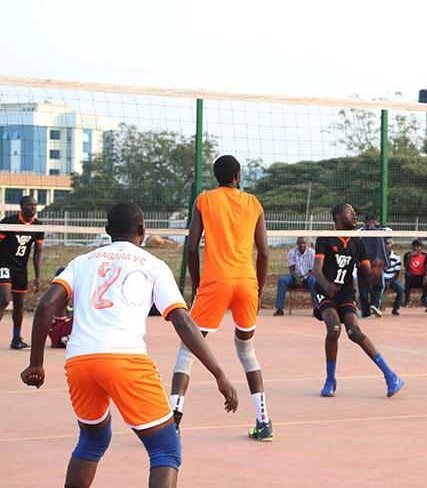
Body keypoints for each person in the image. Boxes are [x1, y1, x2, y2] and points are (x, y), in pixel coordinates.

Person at [20, 202, 238, 488]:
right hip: (125, 360)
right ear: (142, 231)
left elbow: (47, 304)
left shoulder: (81, 261)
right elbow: (183, 322)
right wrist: (219, 373)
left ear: (108, 231)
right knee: (165, 449)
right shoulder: (152, 264)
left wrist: (36, 362)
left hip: (80, 362)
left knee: (92, 439)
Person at [169, 155, 272, 441]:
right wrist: (258, 288)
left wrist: (198, 284)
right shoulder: (254, 203)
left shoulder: (204, 200)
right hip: (246, 283)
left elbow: (191, 248)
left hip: (215, 281)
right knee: (247, 351)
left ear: (216, 176)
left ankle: (173, 420)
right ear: (238, 175)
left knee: (188, 349)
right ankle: (264, 422)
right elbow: (263, 252)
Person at [312, 203, 404, 398]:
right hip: (324, 290)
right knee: (334, 327)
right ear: (337, 216)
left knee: (354, 331)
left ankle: (391, 376)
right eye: (349, 211)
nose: (354, 214)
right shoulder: (325, 238)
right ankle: (330, 379)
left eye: (355, 211)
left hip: (345, 292)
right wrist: (327, 286)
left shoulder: (358, 242)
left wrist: (378, 274)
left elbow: (369, 276)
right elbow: (316, 269)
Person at [1, 195, 44, 350]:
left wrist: (37, 276)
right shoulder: (8, 222)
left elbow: (38, 253)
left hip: (21, 269)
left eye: (35, 205)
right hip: (4, 264)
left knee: (19, 305)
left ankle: (16, 338)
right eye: (30, 205)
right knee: (5, 299)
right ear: (21, 206)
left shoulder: (38, 226)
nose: (33, 207)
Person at [274, 237, 316, 316]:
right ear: (297, 244)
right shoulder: (292, 253)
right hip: (294, 277)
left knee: (314, 281)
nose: (302, 245)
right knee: (282, 280)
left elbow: (312, 271)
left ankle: (316, 309)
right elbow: (291, 269)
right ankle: (280, 308)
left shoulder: (312, 253)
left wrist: (304, 278)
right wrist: (297, 278)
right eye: (300, 243)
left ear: (306, 244)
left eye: (304, 243)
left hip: (307, 277)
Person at [358, 214, 390, 318]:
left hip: (363, 263)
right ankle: (375, 304)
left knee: (363, 287)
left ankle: (366, 311)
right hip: (377, 262)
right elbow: (390, 232)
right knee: (377, 285)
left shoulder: (360, 233)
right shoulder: (380, 232)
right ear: (375, 221)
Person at [403, 239, 427, 311]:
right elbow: (407, 268)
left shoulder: (425, 256)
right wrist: (410, 257)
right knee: (408, 274)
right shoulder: (407, 255)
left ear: (420, 248)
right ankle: (407, 299)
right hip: (412, 279)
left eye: (418, 246)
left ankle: (424, 298)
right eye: (414, 246)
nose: (415, 248)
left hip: (421, 279)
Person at [379, 238, 404, 316]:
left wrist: (389, 282)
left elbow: (396, 273)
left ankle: (395, 309)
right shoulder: (379, 255)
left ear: (391, 245)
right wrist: (384, 280)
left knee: (401, 288)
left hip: (392, 279)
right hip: (381, 278)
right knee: (378, 286)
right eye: (385, 244)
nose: (386, 246)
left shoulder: (396, 257)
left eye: (388, 244)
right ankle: (377, 306)